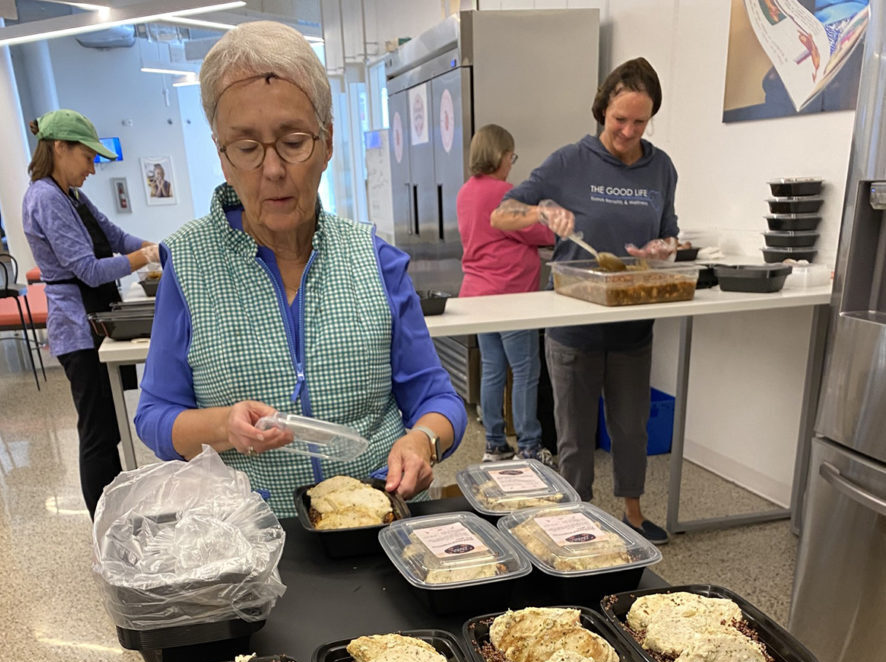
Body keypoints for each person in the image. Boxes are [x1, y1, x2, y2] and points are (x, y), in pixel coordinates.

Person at [135, 21, 465, 518]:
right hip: (249, 539)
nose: (272, 170)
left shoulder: (374, 261)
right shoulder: (188, 265)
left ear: (327, 142)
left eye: (293, 141)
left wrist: (423, 441)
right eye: (246, 147)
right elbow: (156, 417)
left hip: (372, 523)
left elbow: (438, 398)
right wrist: (223, 426)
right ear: (222, 158)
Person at [491, 58, 679, 544]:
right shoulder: (569, 161)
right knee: (574, 439)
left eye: (640, 121)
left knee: (631, 430)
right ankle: (578, 522)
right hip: (573, 328)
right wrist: (541, 209)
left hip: (633, 324)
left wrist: (663, 249)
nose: (629, 130)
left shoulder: (661, 168)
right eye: (621, 119)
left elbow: (669, 234)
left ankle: (634, 516)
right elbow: (501, 214)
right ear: (602, 110)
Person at [22, 109, 159, 516]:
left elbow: (115, 236)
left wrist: (157, 247)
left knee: (112, 423)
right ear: (60, 148)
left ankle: (118, 510)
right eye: (88, 158)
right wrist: (142, 258)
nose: (92, 169)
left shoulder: (72, 196)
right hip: (77, 326)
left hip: (94, 316)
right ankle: (106, 525)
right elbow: (88, 269)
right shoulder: (45, 197)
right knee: (97, 432)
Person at [456, 124, 556, 465]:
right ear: (500, 155)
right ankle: (529, 445)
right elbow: (536, 234)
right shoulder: (504, 193)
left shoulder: (466, 192)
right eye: (511, 156)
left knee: (492, 369)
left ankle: (495, 444)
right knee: (526, 371)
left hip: (478, 296)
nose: (511, 163)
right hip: (511, 294)